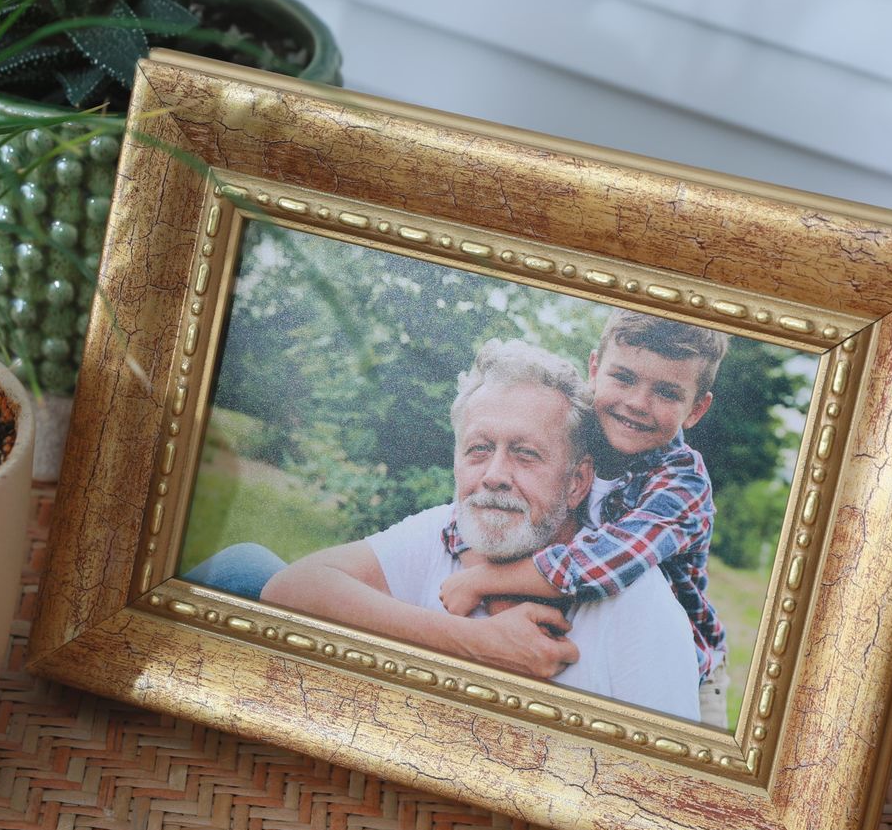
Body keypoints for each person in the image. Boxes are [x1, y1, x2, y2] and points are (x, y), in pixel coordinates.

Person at [188, 340, 700, 720]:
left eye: (525, 454)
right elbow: (291, 588)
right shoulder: (450, 528)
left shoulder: (638, 608)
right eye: (479, 450)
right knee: (243, 566)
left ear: (577, 483)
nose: (494, 474)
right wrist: (475, 643)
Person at [432, 310, 731, 726]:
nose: (636, 404)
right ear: (595, 368)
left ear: (696, 409)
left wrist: (482, 579)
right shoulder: (575, 436)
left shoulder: (683, 484)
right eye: (623, 378)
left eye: (666, 392)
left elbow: (602, 565)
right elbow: (480, 515)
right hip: (585, 639)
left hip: (686, 675)